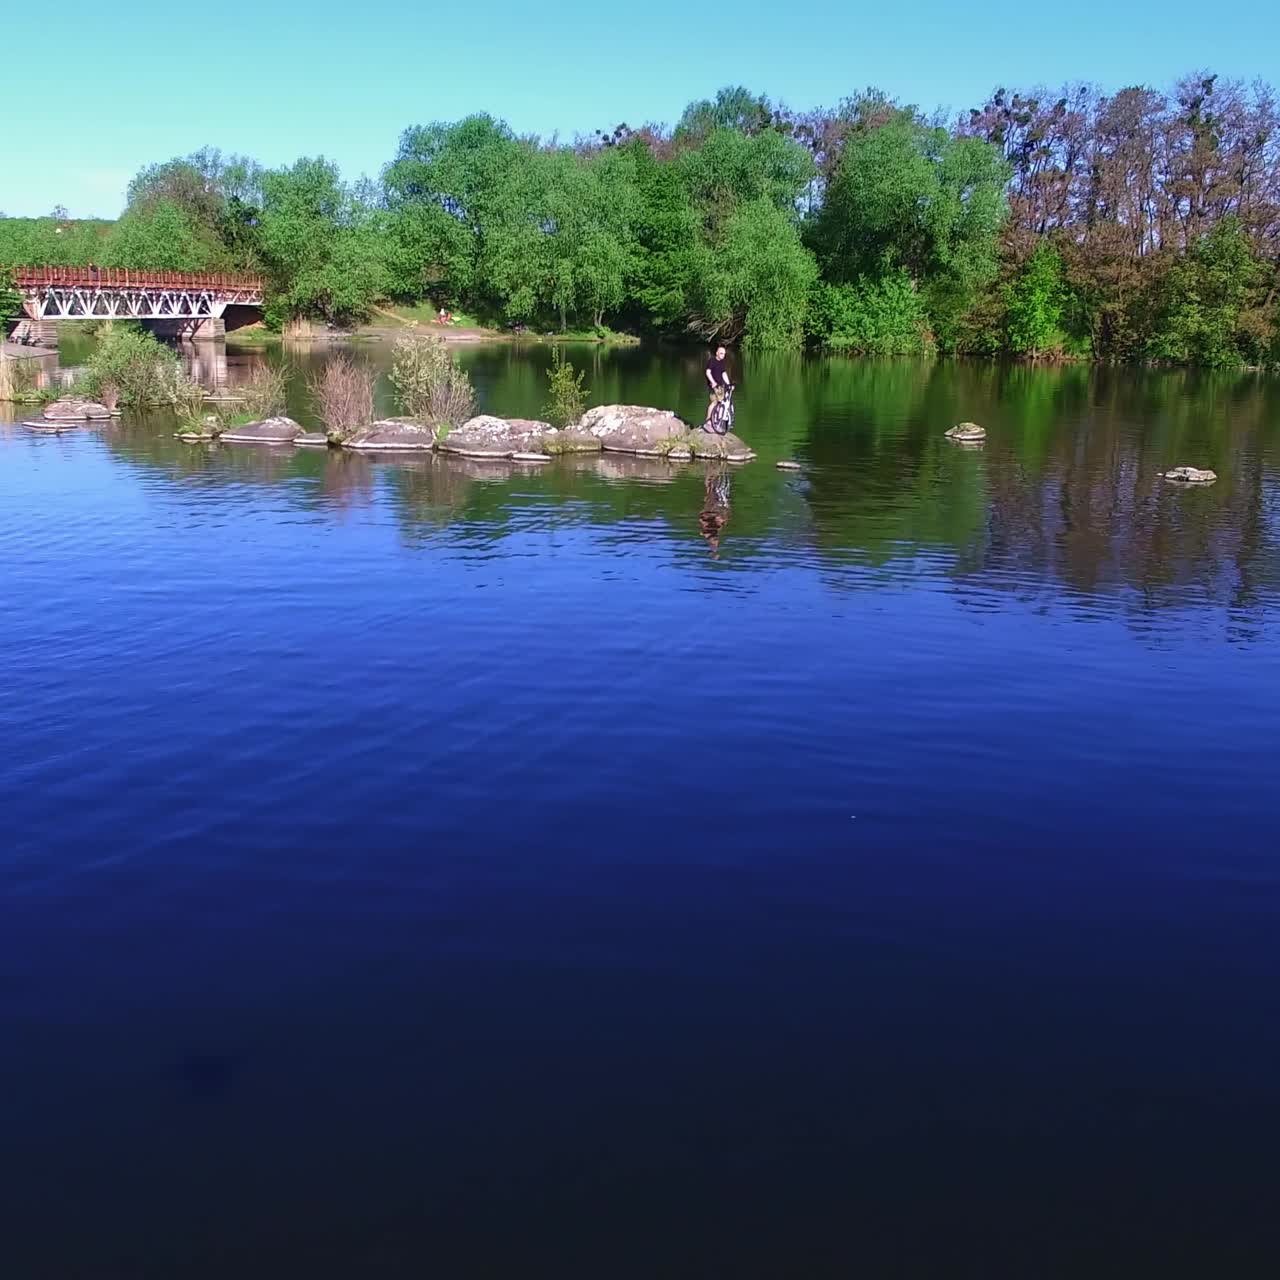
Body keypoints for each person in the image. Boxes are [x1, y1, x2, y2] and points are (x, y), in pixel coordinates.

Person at [704, 345, 731, 426]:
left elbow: (723, 373)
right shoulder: (712, 361)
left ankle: (716, 420)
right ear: (717, 353)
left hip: (720, 386)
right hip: (713, 386)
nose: (723, 355)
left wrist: (728, 384)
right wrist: (713, 382)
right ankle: (708, 420)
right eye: (721, 353)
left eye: (724, 354)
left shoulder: (722, 362)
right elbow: (707, 372)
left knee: (721, 402)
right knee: (714, 402)